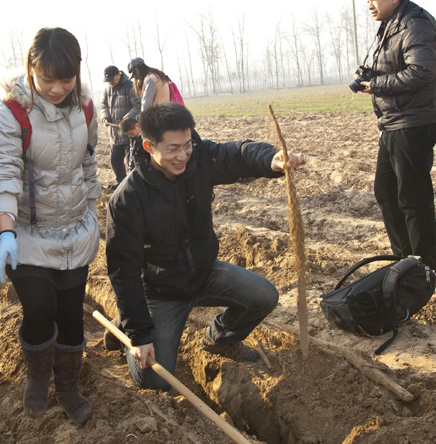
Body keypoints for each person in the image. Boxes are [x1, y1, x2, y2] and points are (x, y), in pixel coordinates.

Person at [105, 103, 306, 391]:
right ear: (149, 147)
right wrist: (139, 335)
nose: (182, 155)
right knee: (154, 382)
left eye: (187, 145)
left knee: (264, 295)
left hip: (202, 272)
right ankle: (127, 324)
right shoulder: (129, 198)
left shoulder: (198, 160)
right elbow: (123, 272)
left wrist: (271, 159)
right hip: (161, 290)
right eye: (173, 149)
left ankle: (219, 338)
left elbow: (236, 154)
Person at [0, 27, 101, 425]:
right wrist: (6, 231)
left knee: (70, 316)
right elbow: (2, 172)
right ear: (31, 69)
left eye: (65, 80)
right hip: (28, 234)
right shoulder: (11, 112)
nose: (56, 88)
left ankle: (67, 386)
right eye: (47, 79)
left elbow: (88, 161)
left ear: (77, 73)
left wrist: (93, 209)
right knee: (39, 308)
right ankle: (37, 377)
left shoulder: (85, 107)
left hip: (74, 230)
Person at [360, 0, 436, 277]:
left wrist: (377, 84)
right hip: (394, 123)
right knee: (385, 191)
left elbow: (422, 71)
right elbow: (399, 66)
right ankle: (405, 260)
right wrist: (371, 75)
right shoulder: (391, 24)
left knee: (412, 196)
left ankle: (427, 267)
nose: (369, 4)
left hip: (413, 123)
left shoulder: (413, 23)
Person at [100, 65, 140, 188]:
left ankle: (131, 184)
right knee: (115, 160)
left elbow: (138, 105)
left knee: (130, 161)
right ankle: (121, 183)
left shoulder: (130, 86)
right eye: (108, 80)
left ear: (118, 75)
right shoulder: (107, 89)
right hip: (114, 133)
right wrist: (105, 117)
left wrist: (127, 118)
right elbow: (103, 105)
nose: (111, 82)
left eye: (112, 79)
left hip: (128, 131)